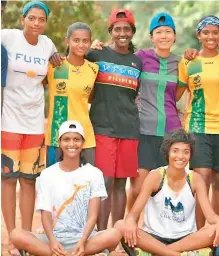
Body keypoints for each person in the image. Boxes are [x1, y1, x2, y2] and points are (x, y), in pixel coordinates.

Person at [10, 121, 121, 255]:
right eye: (66, 139)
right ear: (60, 143)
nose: (71, 144)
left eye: (76, 139)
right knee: (16, 235)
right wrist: (52, 241)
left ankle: (62, 253)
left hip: (84, 238)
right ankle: (68, 253)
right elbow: (45, 213)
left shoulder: (94, 173)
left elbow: (93, 215)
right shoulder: (47, 174)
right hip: (53, 238)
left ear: (83, 143)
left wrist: (82, 241)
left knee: (114, 234)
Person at [1, 1, 57, 255]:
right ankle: (11, 237)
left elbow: (54, 72)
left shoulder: (47, 45)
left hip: (35, 123)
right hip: (9, 121)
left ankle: (25, 238)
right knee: (8, 179)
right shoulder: (8, 37)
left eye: (41, 19)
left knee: (29, 180)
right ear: (22, 18)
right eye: (31, 18)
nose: (36, 23)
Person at [114, 129, 219, 256]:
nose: (181, 156)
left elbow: (210, 216)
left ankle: (157, 252)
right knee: (120, 225)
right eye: (175, 151)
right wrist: (130, 221)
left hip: (185, 239)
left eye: (186, 152)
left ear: (191, 155)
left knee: (215, 229)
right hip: (154, 237)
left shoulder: (195, 179)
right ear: (167, 153)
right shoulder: (156, 176)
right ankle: (177, 254)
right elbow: (134, 213)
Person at [178, 15, 219, 228]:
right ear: (199, 35)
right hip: (197, 127)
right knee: (201, 180)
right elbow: (176, 94)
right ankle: (198, 235)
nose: (210, 36)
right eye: (206, 32)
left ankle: (216, 235)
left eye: (215, 32)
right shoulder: (188, 61)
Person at [87, 9, 143, 232]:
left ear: (132, 32)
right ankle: (101, 236)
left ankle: (116, 236)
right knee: (105, 183)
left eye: (126, 29)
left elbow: (135, 95)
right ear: (110, 31)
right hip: (102, 127)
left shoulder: (137, 62)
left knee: (121, 184)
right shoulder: (97, 55)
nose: (122, 33)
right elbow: (73, 60)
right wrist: (91, 47)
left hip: (129, 129)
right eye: (117, 29)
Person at [45, 22, 98, 168]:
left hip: (85, 136)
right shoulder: (54, 66)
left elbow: (91, 97)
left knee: (86, 185)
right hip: (57, 136)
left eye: (85, 41)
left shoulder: (94, 69)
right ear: (67, 40)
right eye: (76, 40)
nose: (81, 45)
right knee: (55, 185)